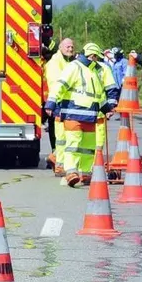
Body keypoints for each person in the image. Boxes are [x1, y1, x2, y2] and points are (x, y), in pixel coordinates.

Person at [44, 49, 106, 187]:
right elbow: (59, 85)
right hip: (74, 114)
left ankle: (86, 174)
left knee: (88, 148)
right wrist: (51, 103)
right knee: (73, 145)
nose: (98, 61)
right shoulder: (74, 67)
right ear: (92, 56)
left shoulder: (94, 72)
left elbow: (99, 95)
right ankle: (71, 173)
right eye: (97, 58)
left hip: (90, 116)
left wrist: (107, 109)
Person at [43, 37, 76, 175]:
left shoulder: (71, 61)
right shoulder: (54, 63)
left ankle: (56, 158)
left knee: (66, 136)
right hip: (58, 103)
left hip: (69, 103)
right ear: (60, 48)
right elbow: (56, 84)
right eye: (67, 47)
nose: (70, 49)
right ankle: (57, 161)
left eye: (72, 47)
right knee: (61, 136)